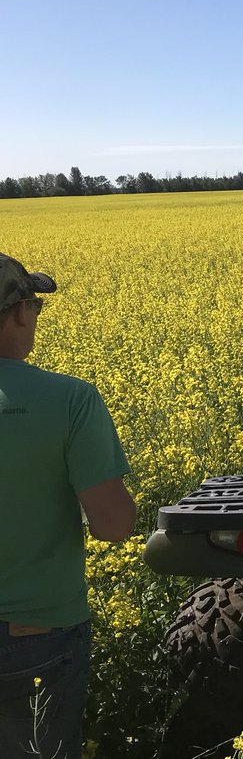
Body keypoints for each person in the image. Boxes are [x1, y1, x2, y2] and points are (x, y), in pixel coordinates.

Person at [0, 253, 136, 759]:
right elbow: (113, 525)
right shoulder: (70, 399)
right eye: (33, 304)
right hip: (34, 635)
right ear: (18, 313)